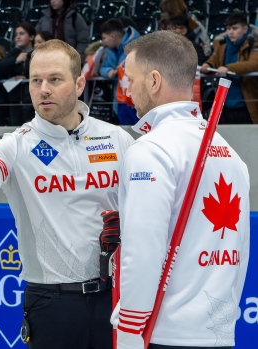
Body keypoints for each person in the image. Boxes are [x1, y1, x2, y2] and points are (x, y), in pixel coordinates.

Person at [0, 39, 135, 349]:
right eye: (36, 80)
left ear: (78, 84)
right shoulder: (15, 146)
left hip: (113, 298)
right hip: (51, 303)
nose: (43, 89)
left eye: (54, 79)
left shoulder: (116, 138)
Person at [116, 30, 250, 349]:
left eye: (130, 80)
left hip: (163, 333)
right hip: (218, 333)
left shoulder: (151, 150)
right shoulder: (228, 151)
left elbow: (142, 249)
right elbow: (240, 249)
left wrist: (129, 330)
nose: (127, 91)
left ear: (153, 81)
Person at [200, 12, 258, 124]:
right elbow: (215, 58)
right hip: (225, 104)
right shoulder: (223, 44)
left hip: (246, 104)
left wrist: (229, 68)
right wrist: (208, 65)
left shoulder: (254, 44)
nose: (231, 32)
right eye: (229, 28)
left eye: (235, 28)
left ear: (245, 29)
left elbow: (254, 63)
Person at [98, 18, 140, 125]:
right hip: (120, 100)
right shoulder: (110, 50)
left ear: (113, 36)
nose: (103, 42)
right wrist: (109, 72)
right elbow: (103, 68)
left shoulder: (138, 45)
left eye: (104, 38)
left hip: (137, 98)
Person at [0, 22, 36, 126]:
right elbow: (0, 67)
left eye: (21, 34)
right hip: (14, 99)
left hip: (32, 99)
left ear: (31, 37)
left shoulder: (37, 53)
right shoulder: (14, 53)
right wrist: (16, 60)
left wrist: (26, 77)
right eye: (16, 34)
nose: (18, 37)